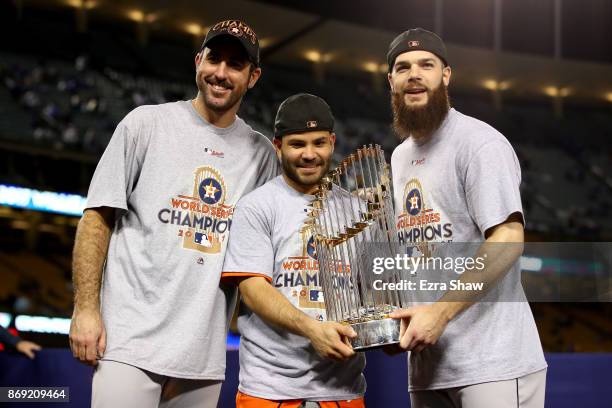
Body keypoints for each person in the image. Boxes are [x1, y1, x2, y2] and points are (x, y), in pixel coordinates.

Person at [69, 19, 280, 408]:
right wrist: (85, 308)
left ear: (253, 77)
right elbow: (97, 218)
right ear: (198, 60)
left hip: (202, 356)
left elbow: (269, 250)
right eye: (214, 59)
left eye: (236, 65)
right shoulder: (146, 124)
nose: (221, 73)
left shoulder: (262, 155)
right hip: (128, 343)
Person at [386, 28, 547, 407]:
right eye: (403, 67)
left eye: (427, 64)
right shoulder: (399, 157)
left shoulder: (479, 143)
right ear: (390, 81)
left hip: (494, 362)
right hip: (429, 366)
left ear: (446, 75)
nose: (414, 74)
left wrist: (441, 312)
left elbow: (508, 240)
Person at [221, 93, 366, 408]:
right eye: (298, 144)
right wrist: (313, 330)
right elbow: (254, 290)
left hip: (342, 388)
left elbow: (371, 292)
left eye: (318, 143)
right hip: (271, 390)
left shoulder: (358, 211)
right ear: (278, 146)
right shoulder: (257, 206)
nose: (310, 154)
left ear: (332, 141)